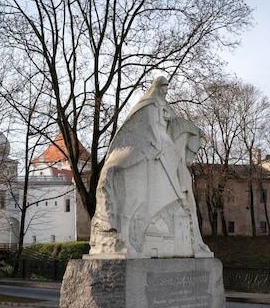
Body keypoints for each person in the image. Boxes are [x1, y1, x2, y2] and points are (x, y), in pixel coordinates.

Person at [88, 76, 212, 259]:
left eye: (167, 88)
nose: (165, 91)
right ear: (157, 88)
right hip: (159, 140)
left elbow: (174, 120)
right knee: (176, 159)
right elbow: (153, 125)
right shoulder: (151, 104)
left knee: (176, 157)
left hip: (163, 138)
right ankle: (180, 189)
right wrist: (158, 143)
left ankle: (179, 192)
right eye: (163, 88)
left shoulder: (163, 104)